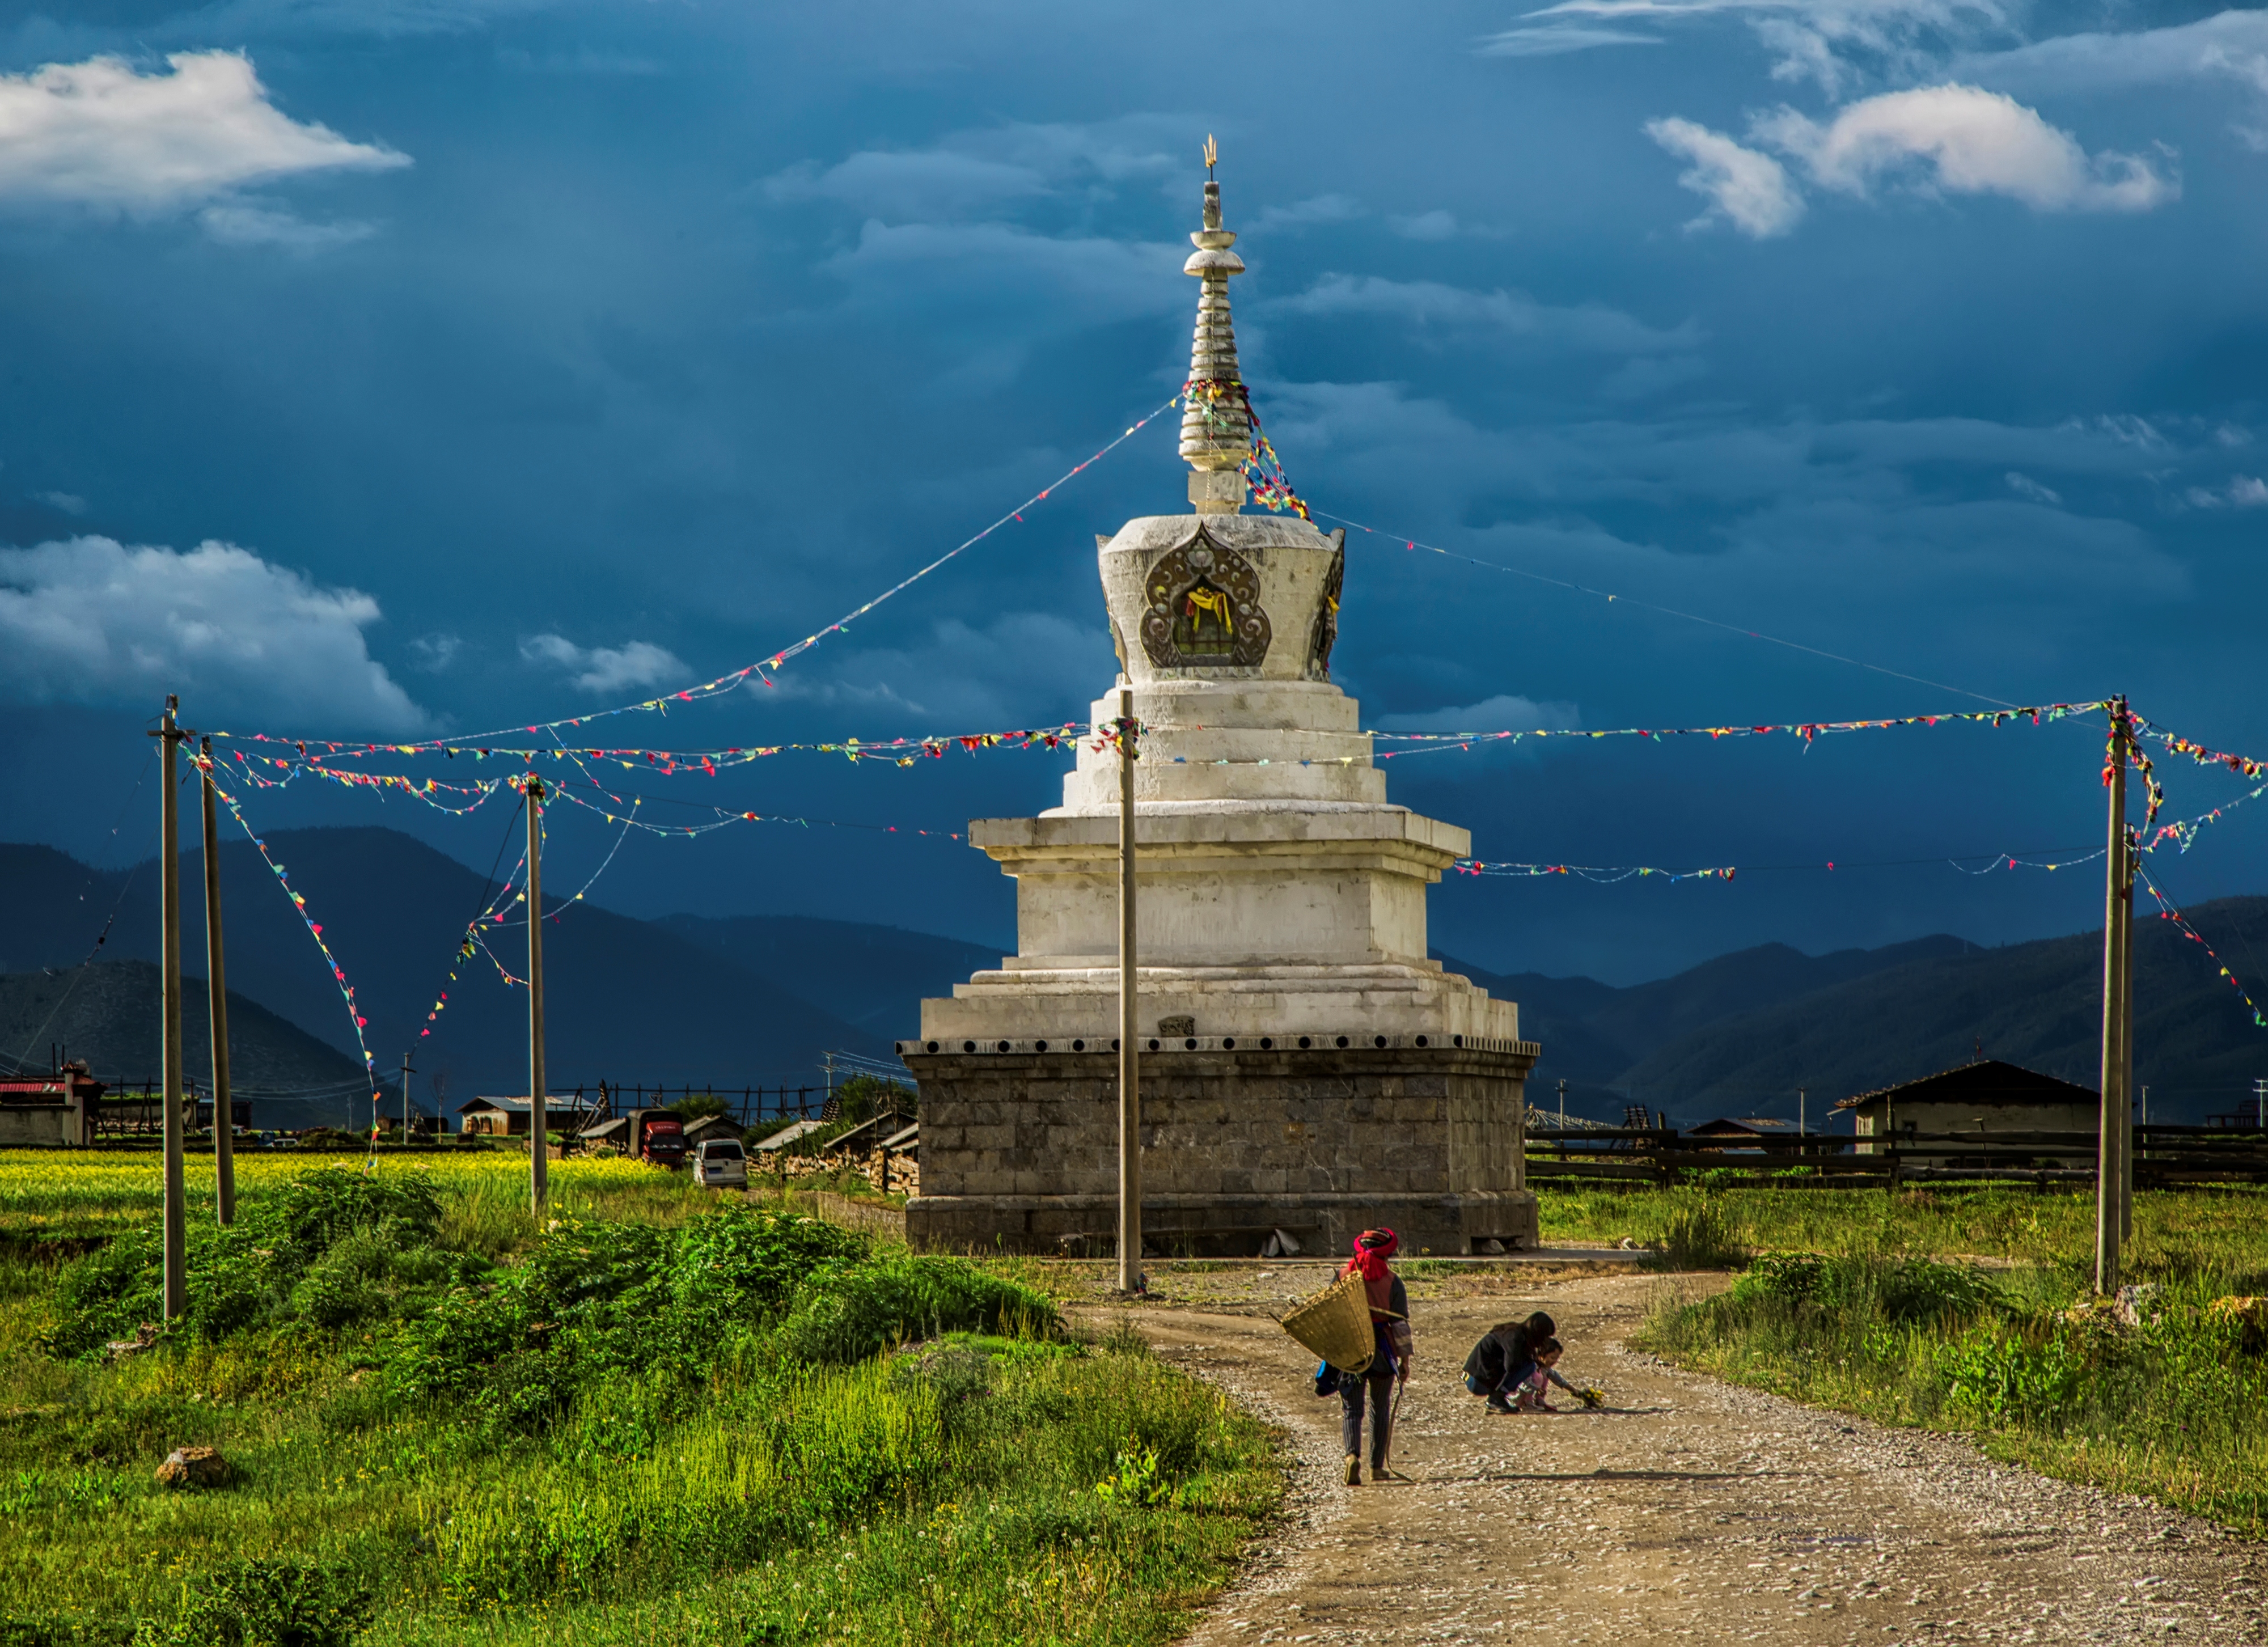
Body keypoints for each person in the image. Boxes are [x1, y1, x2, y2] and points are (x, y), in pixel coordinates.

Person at [1338, 1227, 1411, 1485]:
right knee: (1380, 1408)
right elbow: (1400, 1325)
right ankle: (1376, 1468)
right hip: (1382, 1351)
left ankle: (1351, 1457)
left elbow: (1331, 1313)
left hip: (1352, 1349)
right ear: (1387, 1255)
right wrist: (1405, 1361)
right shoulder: (1393, 1282)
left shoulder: (1342, 1276)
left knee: (1351, 1409)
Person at [1462, 1311, 1556, 1415]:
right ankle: (1496, 1399)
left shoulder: (1513, 1331)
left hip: (1472, 1377)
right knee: (1529, 1366)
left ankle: (1497, 1399)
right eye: (1545, 1336)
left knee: (1527, 1363)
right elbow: (1511, 1366)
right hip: (1477, 1382)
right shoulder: (1515, 1337)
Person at [1512, 1338, 1569, 1412]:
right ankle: (1526, 1404)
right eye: (1552, 1358)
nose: (1554, 1361)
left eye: (1556, 1359)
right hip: (1514, 1399)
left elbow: (1555, 1377)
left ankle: (1539, 1401)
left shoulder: (1543, 1367)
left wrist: (1573, 1390)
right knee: (1538, 1376)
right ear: (1541, 1355)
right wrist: (1537, 1388)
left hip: (1522, 1395)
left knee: (1545, 1376)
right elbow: (1524, 1382)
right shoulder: (1530, 1366)